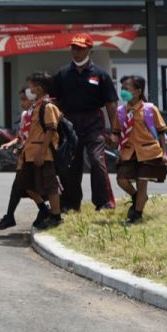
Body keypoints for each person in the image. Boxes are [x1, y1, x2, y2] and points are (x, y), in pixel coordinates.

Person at [49, 34, 118, 211]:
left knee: (96, 160)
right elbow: (54, 102)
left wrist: (115, 131)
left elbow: (111, 103)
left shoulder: (100, 74)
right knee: (71, 164)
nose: (76, 51)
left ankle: (103, 202)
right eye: (73, 48)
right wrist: (54, 126)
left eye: (80, 48)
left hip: (93, 121)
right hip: (69, 122)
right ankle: (71, 203)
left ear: (89, 50)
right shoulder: (62, 74)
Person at [115, 75, 167, 224]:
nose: (123, 91)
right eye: (122, 88)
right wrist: (114, 140)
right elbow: (116, 131)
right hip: (128, 152)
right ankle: (137, 197)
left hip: (148, 152)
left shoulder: (149, 109)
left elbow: (161, 131)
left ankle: (136, 214)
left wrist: (164, 153)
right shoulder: (120, 111)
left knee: (142, 182)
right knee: (121, 180)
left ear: (138, 91)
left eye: (126, 88)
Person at [20, 72, 63, 230]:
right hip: (30, 153)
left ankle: (56, 216)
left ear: (38, 89)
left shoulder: (47, 106)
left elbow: (51, 130)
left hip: (43, 154)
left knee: (50, 185)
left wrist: (41, 152)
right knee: (27, 184)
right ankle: (45, 210)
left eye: (30, 88)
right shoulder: (35, 107)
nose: (28, 91)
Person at [0, 87, 36, 230]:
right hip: (23, 157)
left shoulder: (38, 113)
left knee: (32, 187)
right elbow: (20, 136)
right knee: (19, 188)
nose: (22, 103)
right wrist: (10, 144)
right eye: (21, 99)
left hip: (34, 156)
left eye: (24, 99)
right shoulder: (25, 115)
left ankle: (45, 211)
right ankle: (10, 216)